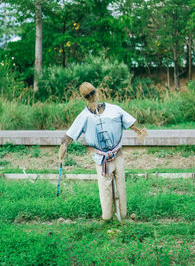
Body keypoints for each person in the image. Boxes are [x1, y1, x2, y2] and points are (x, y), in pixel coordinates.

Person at [58, 82, 147, 221]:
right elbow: (67, 138)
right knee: (105, 191)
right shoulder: (84, 117)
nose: (91, 97)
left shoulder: (114, 109)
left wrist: (139, 131)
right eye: (89, 95)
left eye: (91, 94)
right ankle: (107, 219)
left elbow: (130, 123)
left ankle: (122, 217)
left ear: (95, 93)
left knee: (121, 188)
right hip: (102, 160)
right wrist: (62, 152)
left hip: (117, 156)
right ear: (87, 97)